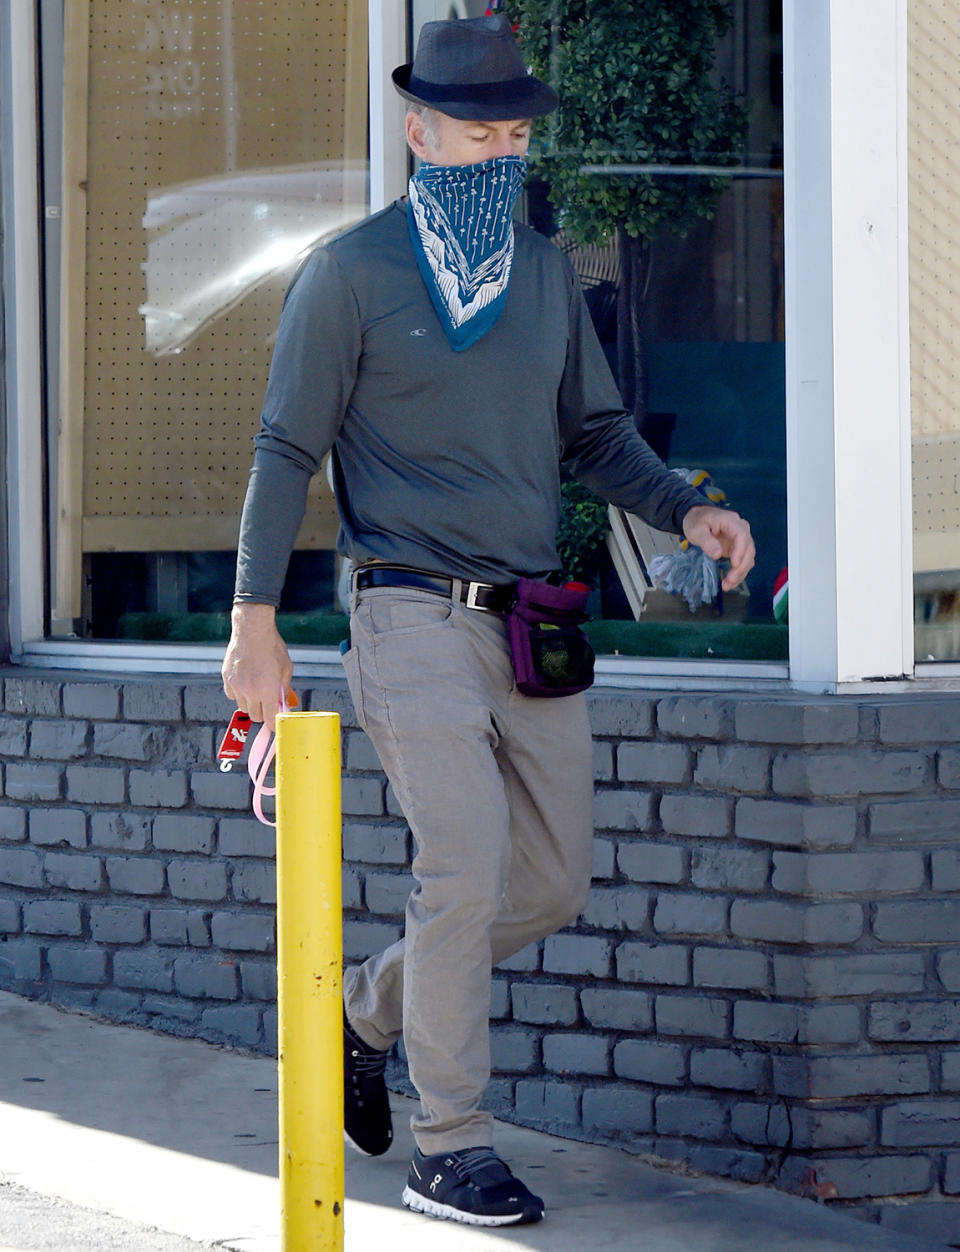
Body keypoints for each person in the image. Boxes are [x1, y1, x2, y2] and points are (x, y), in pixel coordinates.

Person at [221, 15, 755, 1229]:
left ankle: (360, 1012)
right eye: (478, 129)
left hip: (532, 626)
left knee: (550, 881)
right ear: (420, 130)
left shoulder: (549, 277)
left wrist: (687, 511)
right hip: (408, 611)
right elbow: (283, 447)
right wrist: (255, 622)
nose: (500, 150)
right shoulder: (349, 274)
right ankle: (449, 1146)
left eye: (516, 132)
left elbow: (597, 438)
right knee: (462, 866)